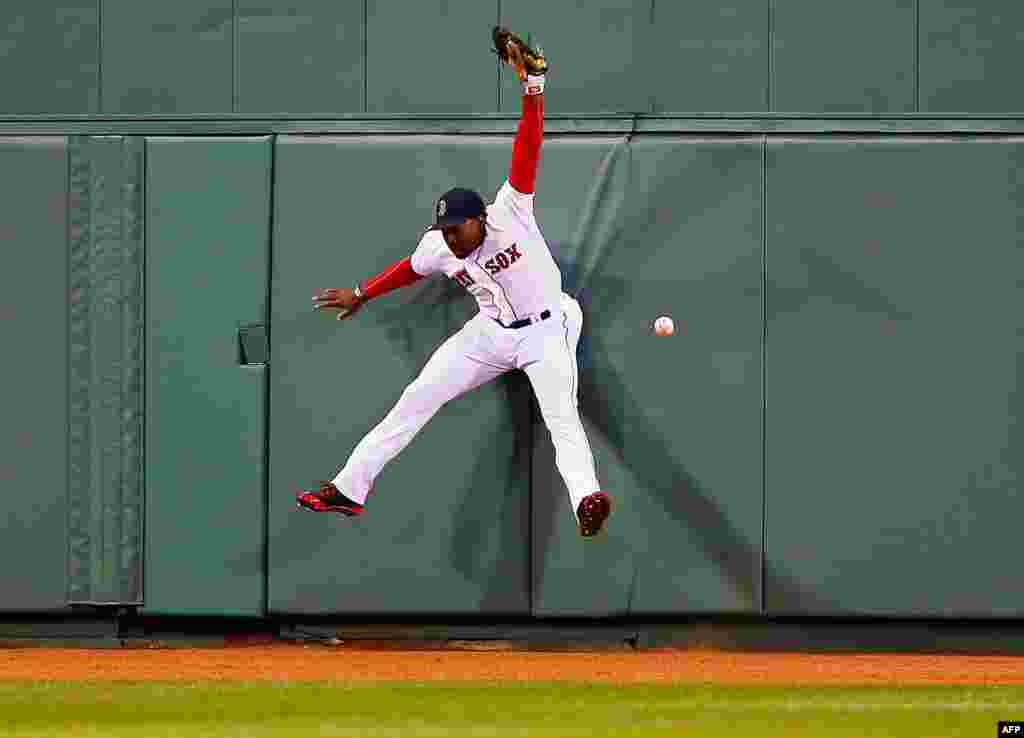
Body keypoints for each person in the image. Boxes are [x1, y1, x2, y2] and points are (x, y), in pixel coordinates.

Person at [297, 39, 612, 538]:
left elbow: (528, 144)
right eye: (444, 231)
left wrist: (534, 89)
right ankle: (350, 490)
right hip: (490, 333)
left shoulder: (511, 213)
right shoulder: (441, 247)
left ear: (478, 219)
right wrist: (362, 292)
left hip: (548, 329)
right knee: (418, 395)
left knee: (560, 416)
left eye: (456, 230)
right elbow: (410, 268)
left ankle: (586, 499)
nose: (449, 238)